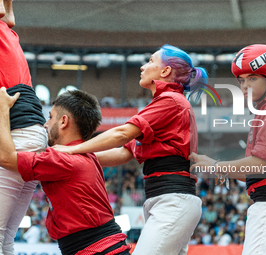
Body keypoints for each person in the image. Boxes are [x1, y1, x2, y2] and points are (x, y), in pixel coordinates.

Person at [53, 44, 207, 255]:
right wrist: (78, 159)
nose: (143, 67)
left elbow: (121, 134)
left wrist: (71, 151)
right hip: (169, 200)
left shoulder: (170, 101)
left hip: (173, 201)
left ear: (165, 71)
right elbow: (124, 153)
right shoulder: (165, 103)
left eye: (151, 61)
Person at [190, 44, 266, 255]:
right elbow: (255, 171)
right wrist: (215, 165)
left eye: (252, 78)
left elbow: (259, 165)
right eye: (241, 80)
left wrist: (217, 165)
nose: (244, 86)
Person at [0, 89, 130, 255]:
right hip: (101, 247)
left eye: (50, 117)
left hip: (96, 250)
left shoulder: (63, 159)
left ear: (63, 121)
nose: (45, 124)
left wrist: (3, 109)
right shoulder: (86, 156)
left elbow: (6, 158)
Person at [0, 2, 48, 254]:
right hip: (33, 137)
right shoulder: (9, 35)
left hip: (19, 135)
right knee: (6, 237)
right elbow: (8, 15)